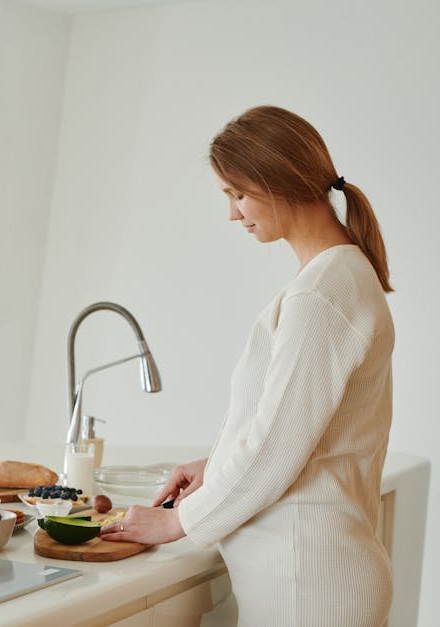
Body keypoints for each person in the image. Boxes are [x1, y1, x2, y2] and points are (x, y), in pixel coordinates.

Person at [99, 105, 394, 627]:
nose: (234, 214)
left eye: (237, 194)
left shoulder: (322, 294)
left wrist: (178, 523)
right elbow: (300, 430)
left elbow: (278, 446)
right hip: (312, 575)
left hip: (309, 583)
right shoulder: (336, 277)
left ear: (278, 180)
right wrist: (215, 467)